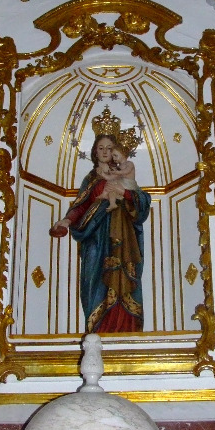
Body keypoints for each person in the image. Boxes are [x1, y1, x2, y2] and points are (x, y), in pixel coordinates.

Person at [50, 134, 151, 332]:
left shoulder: (122, 173)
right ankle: (98, 331)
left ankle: (126, 331)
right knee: (95, 280)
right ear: (95, 152)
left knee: (123, 277)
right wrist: (67, 220)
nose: (105, 151)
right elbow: (80, 206)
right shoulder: (91, 179)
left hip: (124, 236)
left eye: (109, 148)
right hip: (96, 235)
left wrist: (124, 193)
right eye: (101, 148)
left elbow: (142, 201)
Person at [99, 143, 138, 212]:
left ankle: (106, 195)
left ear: (123, 154)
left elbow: (126, 171)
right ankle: (112, 203)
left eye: (115, 155)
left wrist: (117, 172)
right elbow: (110, 177)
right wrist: (102, 174)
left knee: (112, 183)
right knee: (111, 186)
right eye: (112, 156)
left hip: (128, 184)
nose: (114, 158)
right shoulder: (118, 167)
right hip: (121, 184)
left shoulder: (129, 163)